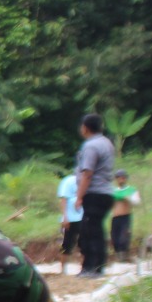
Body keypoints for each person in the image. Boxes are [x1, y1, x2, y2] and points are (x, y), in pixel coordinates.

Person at [74, 114, 116, 278]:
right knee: (95, 229)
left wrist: (79, 196)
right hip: (105, 192)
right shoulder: (106, 143)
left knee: (90, 231)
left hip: (95, 193)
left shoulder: (91, 146)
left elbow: (87, 174)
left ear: (85, 127)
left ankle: (92, 267)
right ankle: (97, 266)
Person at [109, 169, 140, 262]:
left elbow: (137, 202)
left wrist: (128, 199)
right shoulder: (113, 191)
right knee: (114, 238)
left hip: (125, 217)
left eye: (122, 178)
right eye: (118, 178)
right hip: (115, 217)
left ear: (126, 179)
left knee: (124, 237)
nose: (121, 180)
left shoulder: (131, 190)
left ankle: (124, 257)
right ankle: (119, 257)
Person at [57, 169, 84, 269]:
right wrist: (65, 217)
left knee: (84, 243)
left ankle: (83, 267)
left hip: (82, 217)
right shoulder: (68, 181)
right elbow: (63, 199)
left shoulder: (85, 182)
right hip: (70, 218)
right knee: (67, 244)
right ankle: (63, 269)